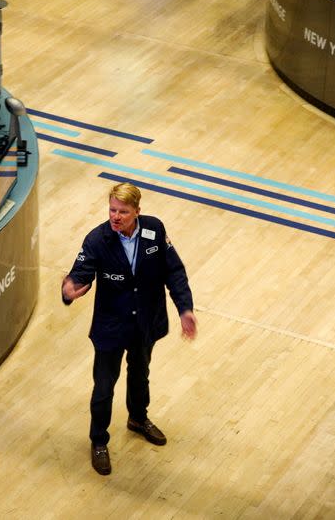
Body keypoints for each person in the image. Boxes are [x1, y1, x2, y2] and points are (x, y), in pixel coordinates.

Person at [61, 182, 197, 476]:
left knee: (140, 374)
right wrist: (69, 289)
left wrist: (184, 308)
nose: (115, 216)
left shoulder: (155, 230)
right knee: (104, 387)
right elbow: (79, 274)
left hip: (145, 323)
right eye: (112, 210)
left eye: (123, 211)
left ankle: (138, 418)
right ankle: (98, 441)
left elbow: (174, 271)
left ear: (138, 211)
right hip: (111, 328)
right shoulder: (97, 240)